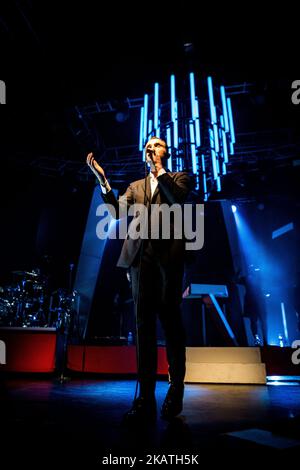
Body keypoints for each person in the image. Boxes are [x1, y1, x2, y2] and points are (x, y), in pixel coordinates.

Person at [86, 136, 192, 424]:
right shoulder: (134, 187)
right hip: (139, 259)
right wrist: (104, 181)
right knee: (143, 327)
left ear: (166, 152)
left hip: (168, 258)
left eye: (157, 145)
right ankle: (145, 397)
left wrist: (159, 169)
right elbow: (117, 212)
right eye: (148, 145)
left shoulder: (182, 178)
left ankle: (176, 389)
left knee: (170, 324)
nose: (151, 147)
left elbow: (176, 200)